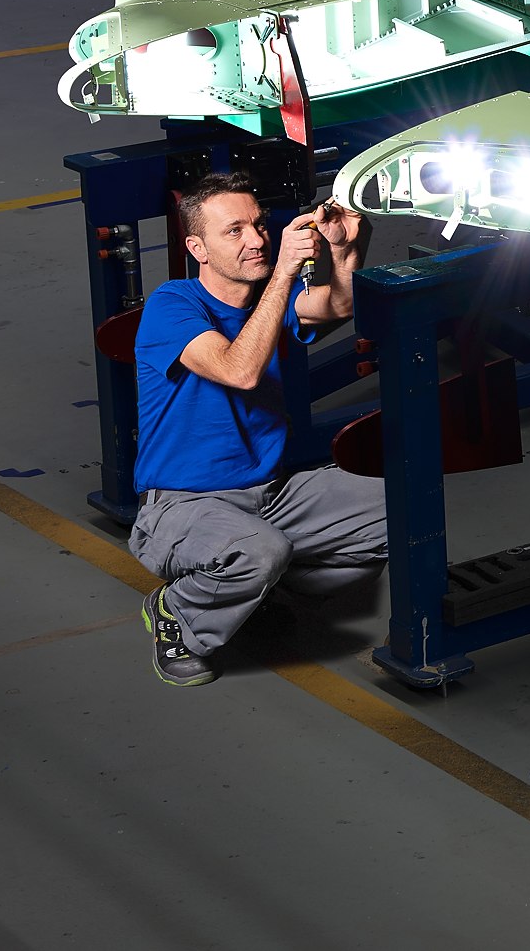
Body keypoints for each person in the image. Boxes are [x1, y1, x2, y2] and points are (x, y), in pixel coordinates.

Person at [130, 172, 383, 686]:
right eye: (235, 230)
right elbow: (238, 370)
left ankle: (258, 589)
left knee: (400, 503)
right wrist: (286, 271)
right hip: (183, 505)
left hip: (270, 495)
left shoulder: (268, 301)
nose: (257, 239)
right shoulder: (173, 304)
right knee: (259, 551)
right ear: (197, 248)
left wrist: (345, 249)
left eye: (260, 224)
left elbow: (339, 304)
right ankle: (179, 614)